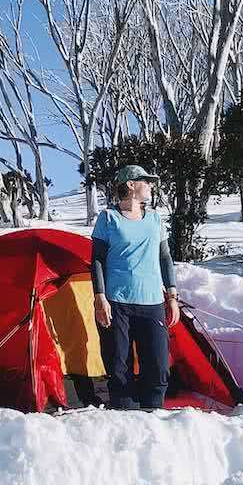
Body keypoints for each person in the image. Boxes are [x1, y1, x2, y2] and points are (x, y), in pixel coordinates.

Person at [91, 164, 181, 410]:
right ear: (131, 185)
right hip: (116, 302)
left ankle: (154, 415)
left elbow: (165, 258)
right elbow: (97, 259)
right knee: (119, 366)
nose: (150, 185)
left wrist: (172, 296)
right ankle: (125, 418)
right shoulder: (108, 218)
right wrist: (100, 297)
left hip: (152, 302)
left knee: (158, 365)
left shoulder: (154, 219)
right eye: (146, 181)